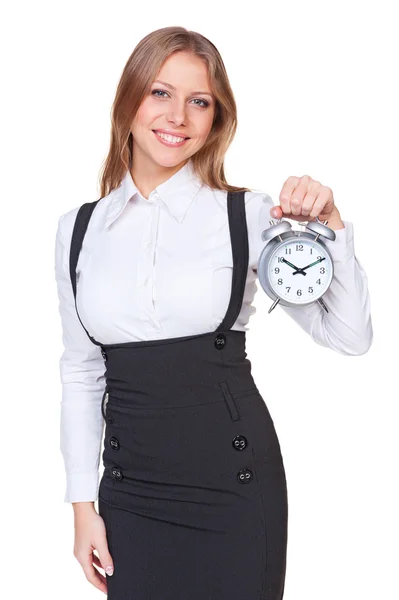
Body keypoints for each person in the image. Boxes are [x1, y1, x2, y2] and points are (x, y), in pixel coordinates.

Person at [54, 26, 373, 599]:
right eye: (160, 93)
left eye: (198, 101)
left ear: (215, 118)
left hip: (234, 487)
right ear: (128, 100)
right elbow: (81, 371)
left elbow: (349, 335)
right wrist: (83, 507)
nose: (178, 115)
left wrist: (332, 227)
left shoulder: (247, 215)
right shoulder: (78, 231)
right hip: (130, 498)